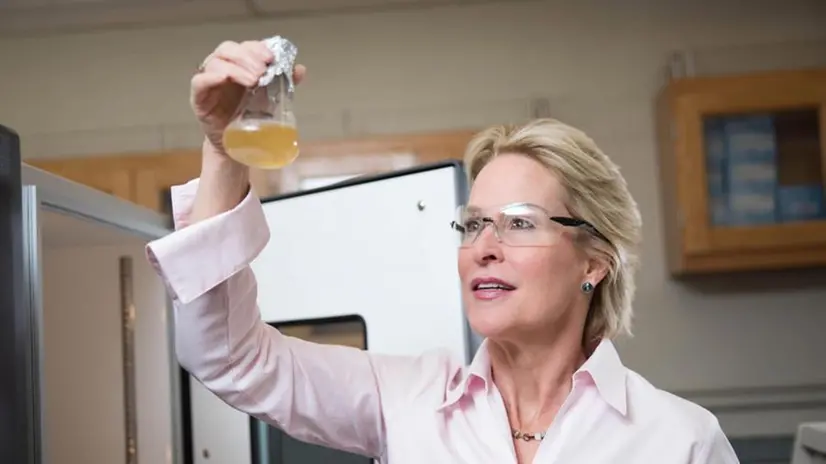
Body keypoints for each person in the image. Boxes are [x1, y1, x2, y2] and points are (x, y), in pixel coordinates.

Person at [145, 39, 740, 463]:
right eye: (472, 224)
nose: (483, 247)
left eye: (518, 224)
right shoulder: (406, 400)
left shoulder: (679, 440)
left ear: (594, 261)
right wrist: (223, 151)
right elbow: (231, 360)